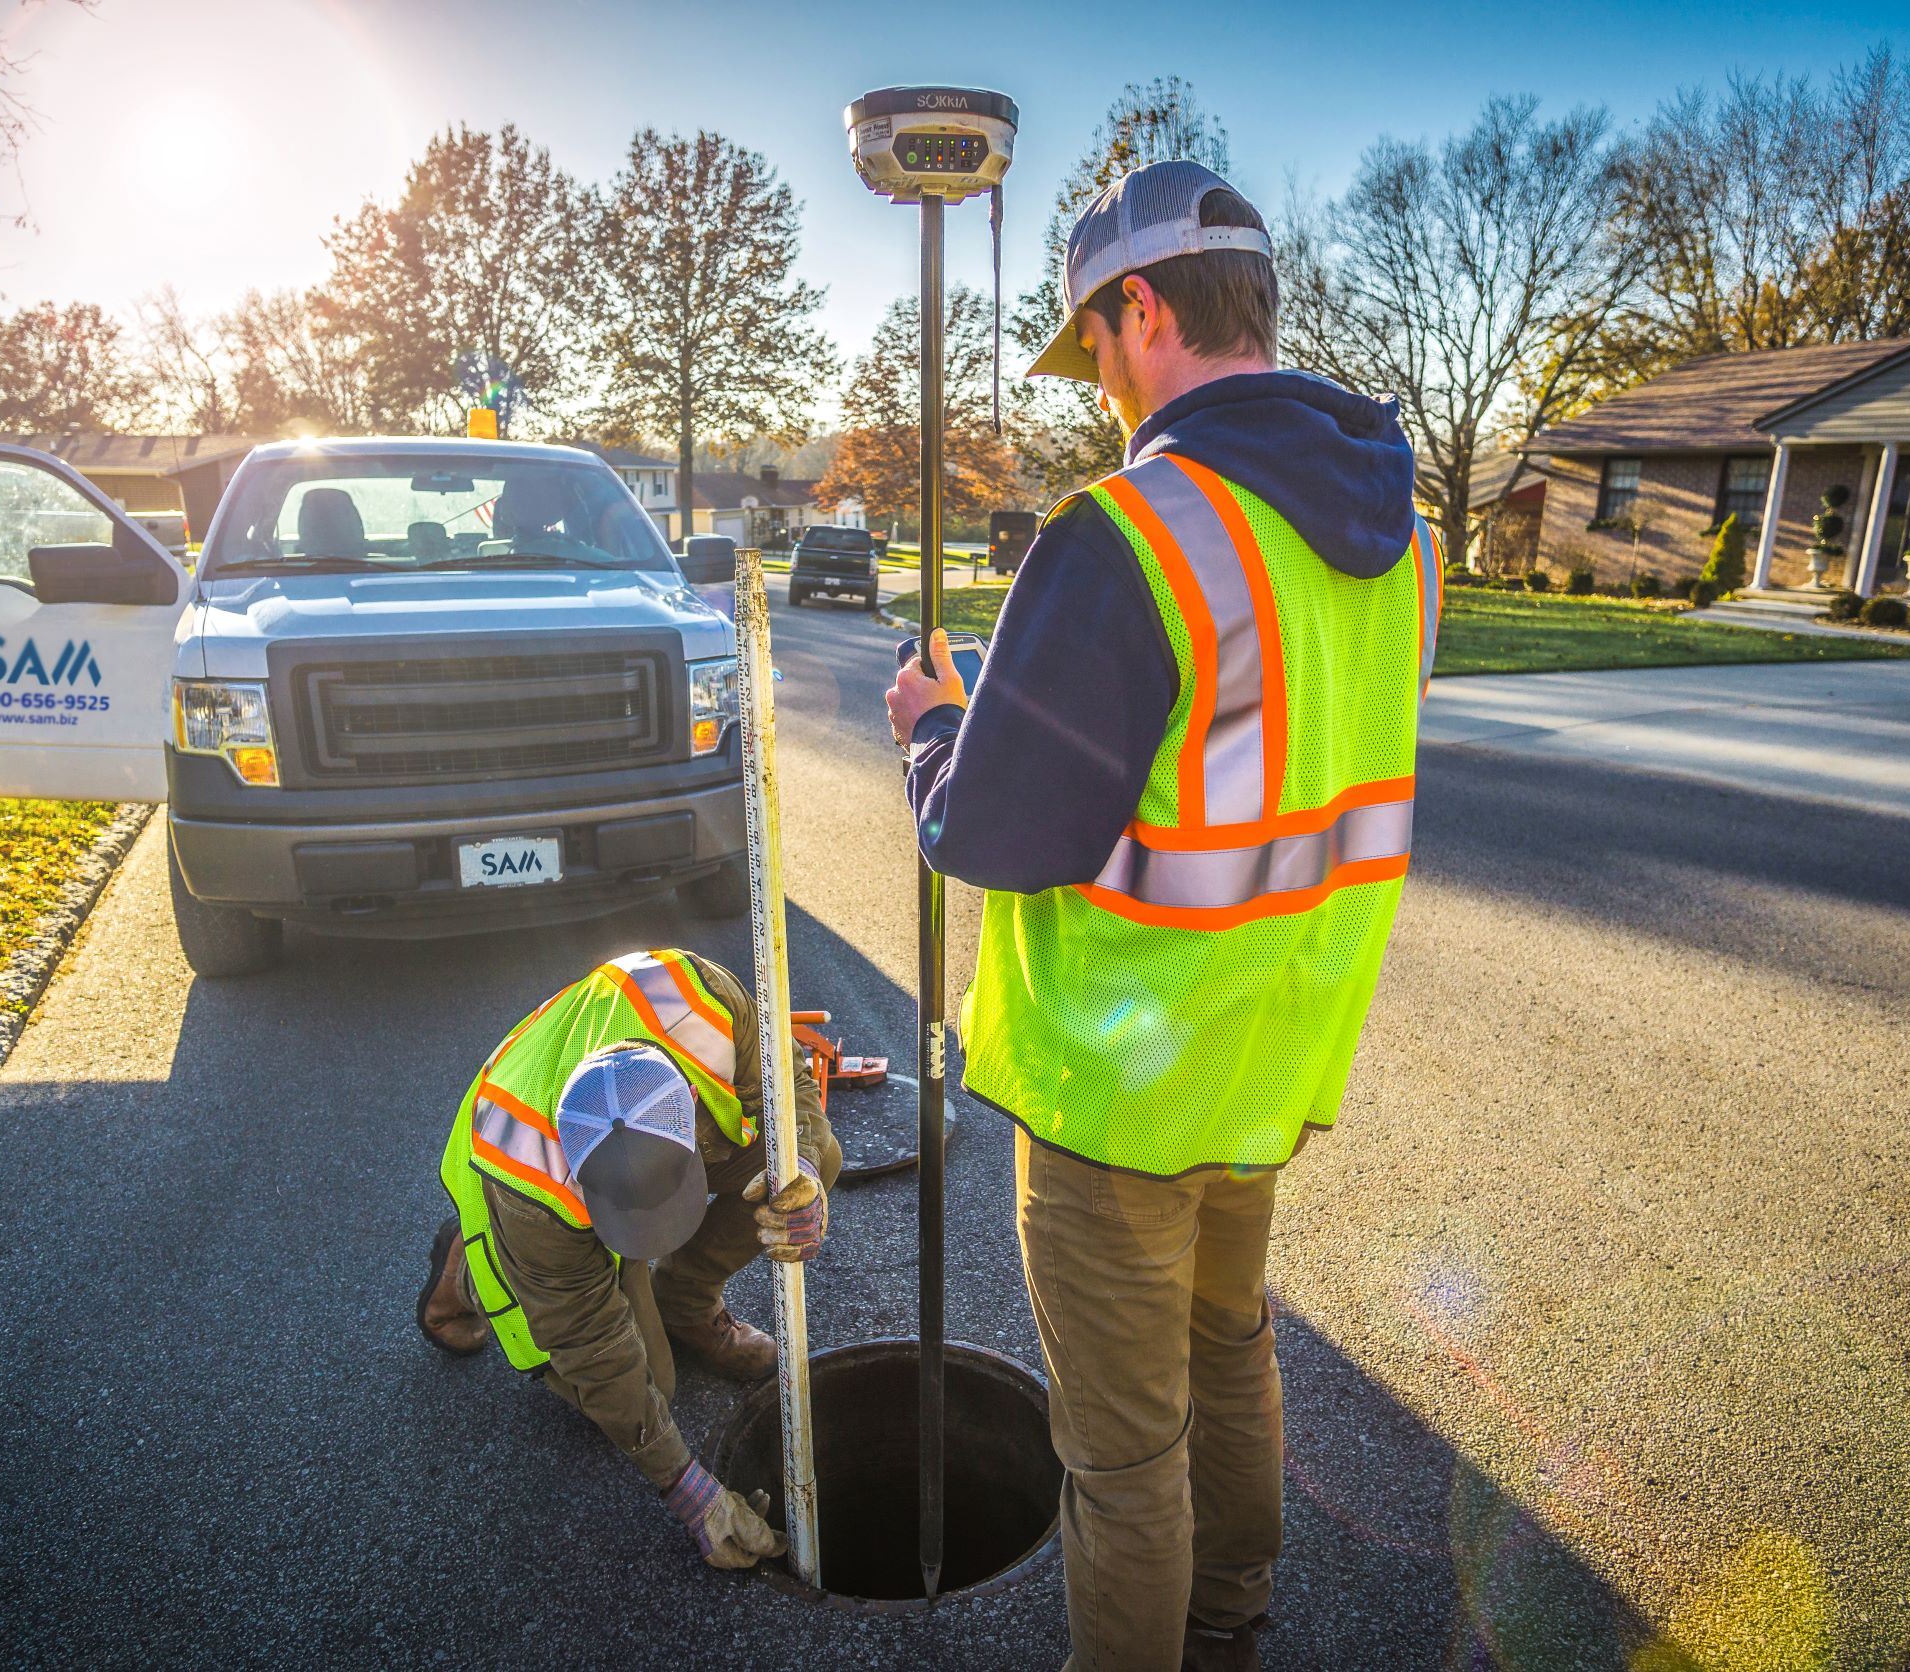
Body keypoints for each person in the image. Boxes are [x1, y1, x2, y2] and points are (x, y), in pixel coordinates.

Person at [885, 161, 1437, 1670]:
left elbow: (993, 832)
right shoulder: (1405, 537)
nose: (1102, 390)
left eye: (1096, 349)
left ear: (1143, 310)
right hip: (1268, 1050)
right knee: (1231, 1343)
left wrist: (933, 726)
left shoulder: (1127, 528)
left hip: (1117, 1081)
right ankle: (1233, 1618)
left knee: (1122, 1454)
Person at [415, 947, 840, 1570]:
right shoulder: (534, 1178)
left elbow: (790, 1081)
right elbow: (588, 1341)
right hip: (515, 1198)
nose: (659, 1234)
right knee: (643, 1387)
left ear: (690, 1114)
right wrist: (688, 1490)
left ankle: (685, 1304)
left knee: (816, 1158)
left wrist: (798, 1169)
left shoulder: (701, 1003)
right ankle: (471, 1266)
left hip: (610, 1166)